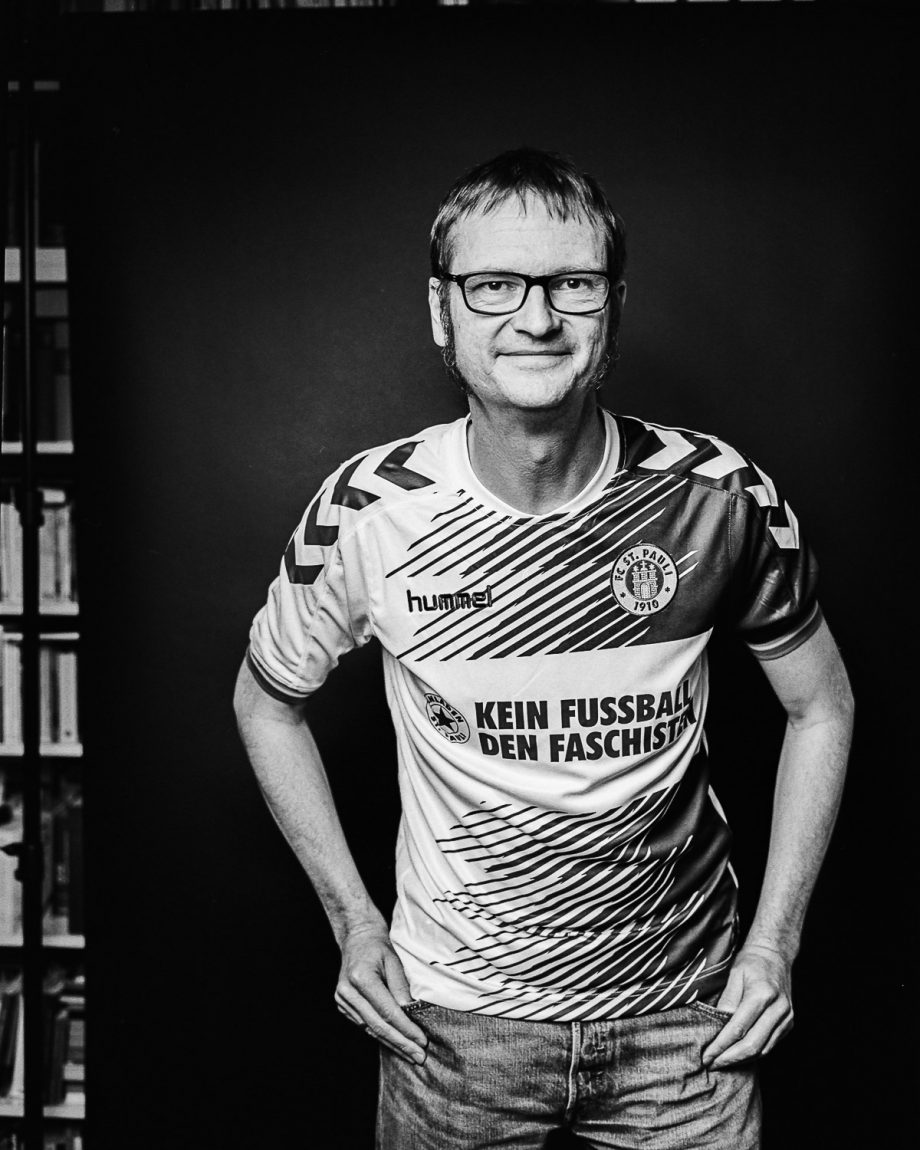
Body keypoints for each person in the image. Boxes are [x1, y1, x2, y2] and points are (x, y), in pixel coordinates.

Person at [233, 148, 853, 1149]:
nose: (535, 318)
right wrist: (353, 921)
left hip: (687, 1029)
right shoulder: (368, 512)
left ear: (612, 306)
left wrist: (774, 945)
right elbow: (266, 704)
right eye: (493, 285)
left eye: (572, 283)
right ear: (441, 312)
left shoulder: (717, 495)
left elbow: (821, 704)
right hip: (450, 1032)